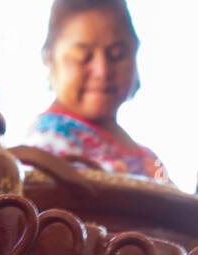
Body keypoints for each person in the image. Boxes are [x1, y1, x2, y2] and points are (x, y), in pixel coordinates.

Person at [25, 0, 169, 181]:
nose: (102, 71)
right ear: (50, 59)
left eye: (117, 55)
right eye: (83, 57)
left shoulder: (149, 159)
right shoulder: (46, 144)